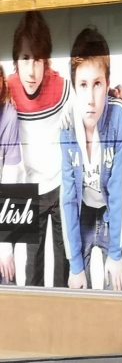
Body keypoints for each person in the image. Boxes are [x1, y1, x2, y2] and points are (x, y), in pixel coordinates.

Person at [59, 26, 122, 291]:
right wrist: (75, 265)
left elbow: (120, 189)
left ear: (108, 84)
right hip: (84, 213)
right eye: (83, 85)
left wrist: (116, 253)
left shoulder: (118, 115)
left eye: (97, 84)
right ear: (74, 88)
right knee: (78, 287)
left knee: (118, 285)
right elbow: (67, 198)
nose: (90, 98)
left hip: (110, 211)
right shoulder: (66, 126)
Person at [8, 11, 70, 287]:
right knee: (31, 266)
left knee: (63, 261)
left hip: (59, 186)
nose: (31, 71)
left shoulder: (61, 87)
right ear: (15, 60)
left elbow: (85, 105)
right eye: (25, 58)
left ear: (47, 60)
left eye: (38, 59)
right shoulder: (7, 90)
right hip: (26, 188)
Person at [0, 65, 23, 285]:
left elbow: (10, 181)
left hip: (3, 211)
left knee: (7, 278)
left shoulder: (8, 115)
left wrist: (4, 247)